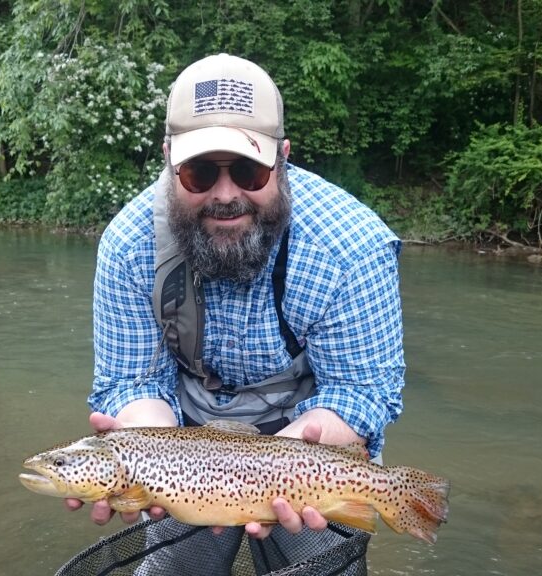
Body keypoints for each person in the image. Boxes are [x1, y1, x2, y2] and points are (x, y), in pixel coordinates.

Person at [66, 53, 406, 568]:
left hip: (314, 439)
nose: (225, 195)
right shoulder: (129, 245)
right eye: (199, 173)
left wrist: (280, 466)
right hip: (184, 440)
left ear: (283, 158)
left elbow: (363, 392)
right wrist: (151, 462)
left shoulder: (352, 248)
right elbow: (132, 383)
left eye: (248, 170)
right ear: (169, 162)